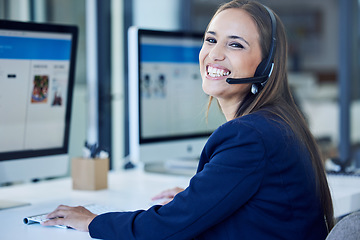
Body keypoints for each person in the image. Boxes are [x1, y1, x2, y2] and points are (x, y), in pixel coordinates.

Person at [43, 1, 334, 239]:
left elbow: (163, 230)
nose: (214, 55)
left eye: (235, 45)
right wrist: (200, 197)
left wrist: (92, 221)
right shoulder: (278, 123)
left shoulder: (251, 136)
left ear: (267, 65)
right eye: (211, 40)